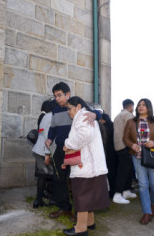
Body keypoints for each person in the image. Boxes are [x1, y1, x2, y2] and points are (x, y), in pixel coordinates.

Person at [45, 82, 100, 221]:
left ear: (67, 94)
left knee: (77, 181)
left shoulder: (76, 105)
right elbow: (53, 128)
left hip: (75, 149)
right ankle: (64, 208)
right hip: (60, 149)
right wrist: (50, 138)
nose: (57, 99)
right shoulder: (56, 110)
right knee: (58, 179)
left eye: (59, 95)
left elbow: (99, 113)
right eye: (55, 96)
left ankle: (80, 212)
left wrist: (95, 115)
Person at [62, 96, 109, 236]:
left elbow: (84, 136)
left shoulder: (82, 116)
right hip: (92, 164)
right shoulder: (87, 116)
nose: (68, 112)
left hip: (86, 165)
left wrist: (68, 144)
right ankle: (90, 222)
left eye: (69, 108)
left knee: (82, 196)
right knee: (90, 195)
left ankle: (80, 229)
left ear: (78, 107)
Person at [123, 98, 154, 225]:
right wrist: (132, 145)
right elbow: (125, 138)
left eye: (143, 105)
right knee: (143, 185)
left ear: (148, 107)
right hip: (137, 157)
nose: (140, 107)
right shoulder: (131, 121)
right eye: (139, 105)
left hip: (153, 156)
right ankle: (146, 212)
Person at [31, 99, 57, 208]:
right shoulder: (53, 117)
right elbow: (48, 136)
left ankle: (38, 200)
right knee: (52, 176)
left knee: (42, 176)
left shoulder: (45, 116)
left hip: (38, 149)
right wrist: (47, 153)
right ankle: (52, 200)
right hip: (46, 151)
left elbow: (41, 132)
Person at [112, 99, 137, 204]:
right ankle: (117, 194)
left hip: (118, 146)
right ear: (131, 106)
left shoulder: (117, 116)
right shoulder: (128, 115)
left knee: (127, 170)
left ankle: (126, 191)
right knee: (123, 171)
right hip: (126, 146)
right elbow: (133, 131)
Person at [99, 113, 118, 199]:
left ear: (104, 120)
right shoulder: (113, 126)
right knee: (113, 173)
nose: (100, 121)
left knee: (110, 174)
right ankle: (113, 191)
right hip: (114, 153)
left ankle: (111, 191)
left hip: (108, 154)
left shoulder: (105, 128)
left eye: (101, 120)